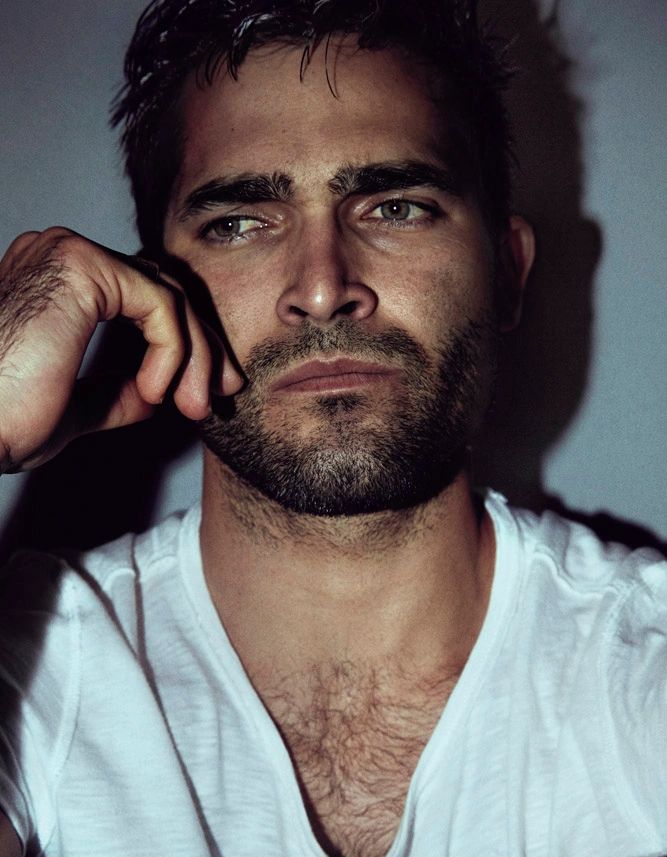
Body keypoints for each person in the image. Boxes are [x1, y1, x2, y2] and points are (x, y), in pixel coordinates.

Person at [0, 1, 665, 855]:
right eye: (239, 223)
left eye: (395, 207)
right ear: (147, 296)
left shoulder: (640, 661)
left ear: (505, 273)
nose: (321, 286)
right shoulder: (39, 661)